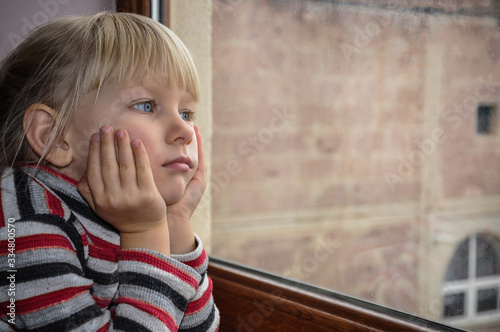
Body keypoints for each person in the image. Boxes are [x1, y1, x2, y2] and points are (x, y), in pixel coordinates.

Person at [0, 12, 219, 331]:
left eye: (186, 112)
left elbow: (197, 327)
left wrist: (175, 223)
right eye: (147, 105)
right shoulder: (27, 227)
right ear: (54, 136)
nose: (184, 130)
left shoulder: (129, 206)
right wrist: (145, 232)